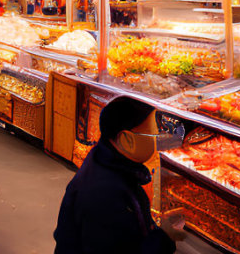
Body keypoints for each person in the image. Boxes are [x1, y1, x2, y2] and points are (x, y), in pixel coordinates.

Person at [53, 96, 183, 253]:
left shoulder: (105, 160)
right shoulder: (105, 195)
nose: (156, 143)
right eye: (153, 136)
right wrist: (165, 236)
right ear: (127, 139)